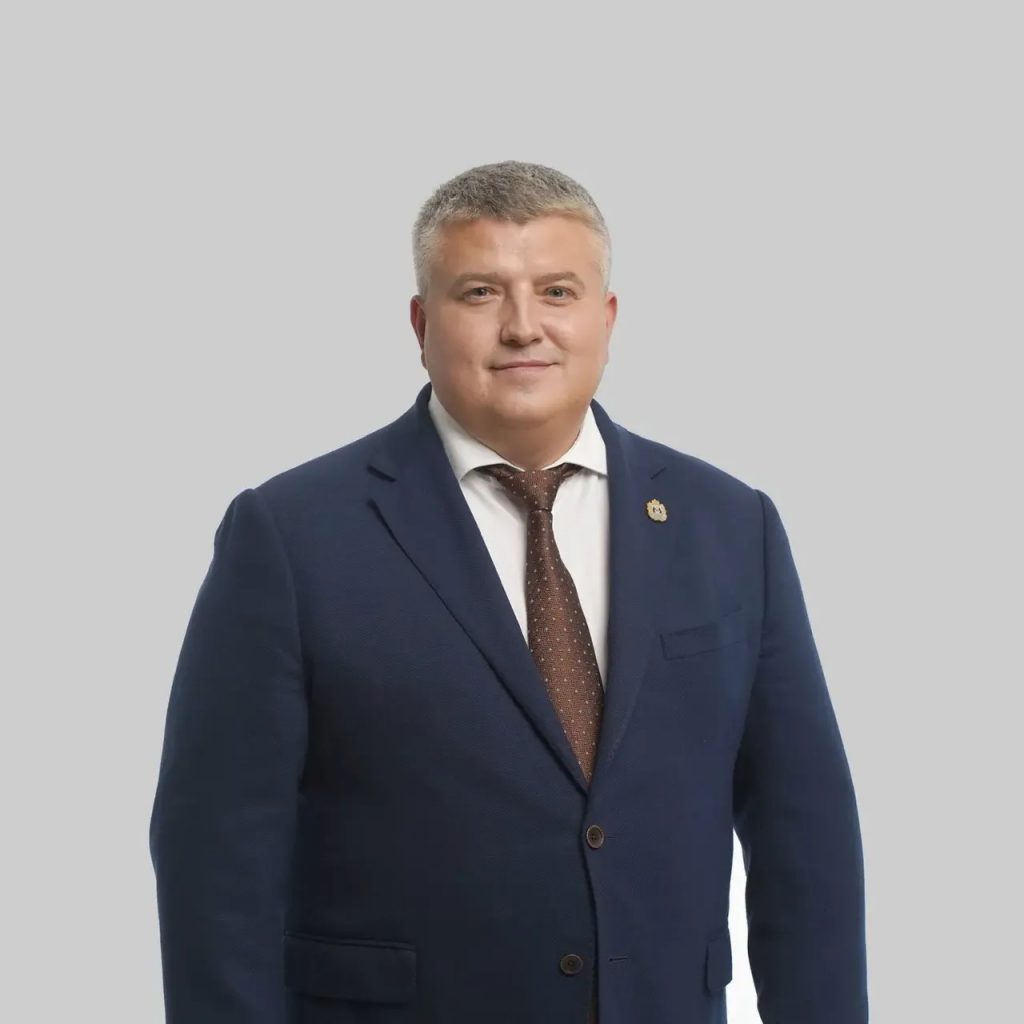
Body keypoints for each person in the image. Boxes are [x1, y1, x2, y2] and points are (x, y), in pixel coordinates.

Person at [148, 159, 868, 1024]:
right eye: (481, 293)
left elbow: (806, 836)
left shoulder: (730, 525)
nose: (525, 326)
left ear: (607, 318)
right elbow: (217, 861)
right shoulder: (291, 535)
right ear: (421, 323)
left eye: (558, 292)